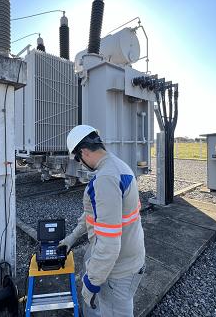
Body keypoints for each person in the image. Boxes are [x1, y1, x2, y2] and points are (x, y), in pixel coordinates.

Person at [59, 125, 146, 317]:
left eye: (77, 158)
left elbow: (108, 245)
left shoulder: (105, 178)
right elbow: (94, 216)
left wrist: (90, 285)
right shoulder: (119, 166)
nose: (79, 163)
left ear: (83, 152)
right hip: (131, 257)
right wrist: (70, 239)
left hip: (119, 271)